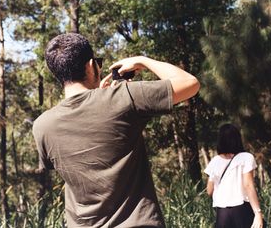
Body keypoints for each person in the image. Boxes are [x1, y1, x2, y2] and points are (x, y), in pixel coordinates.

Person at [32, 33, 200, 227]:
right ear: (90, 65)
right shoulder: (124, 97)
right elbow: (190, 83)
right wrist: (142, 60)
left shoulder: (42, 126)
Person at [204, 124, 265, 228]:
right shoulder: (246, 157)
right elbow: (248, 185)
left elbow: (209, 191)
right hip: (242, 211)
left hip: (222, 214)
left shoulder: (215, 161)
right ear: (238, 139)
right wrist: (258, 213)